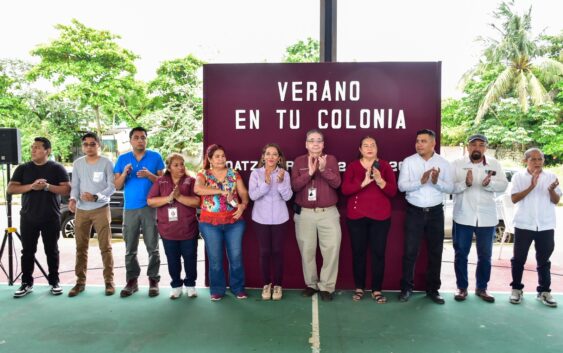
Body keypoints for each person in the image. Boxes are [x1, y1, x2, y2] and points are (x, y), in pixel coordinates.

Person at [8, 137, 70, 298]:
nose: (33, 150)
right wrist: (31, 186)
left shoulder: (57, 168)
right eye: (32, 147)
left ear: (47, 150)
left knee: (52, 250)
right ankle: (26, 283)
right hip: (28, 217)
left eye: (37, 147)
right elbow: (10, 189)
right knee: (27, 251)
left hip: (51, 217)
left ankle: (54, 282)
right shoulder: (23, 168)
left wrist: (47, 187)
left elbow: (66, 190)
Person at [397, 129, 453, 304]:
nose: (419, 144)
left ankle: (433, 290)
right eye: (417, 141)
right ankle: (406, 289)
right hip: (415, 211)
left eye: (423, 141)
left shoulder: (443, 163)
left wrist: (436, 183)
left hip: (436, 212)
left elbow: (450, 189)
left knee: (435, 252)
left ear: (433, 143)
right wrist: (420, 182)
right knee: (410, 253)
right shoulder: (408, 162)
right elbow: (401, 186)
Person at [451, 134, 508, 303]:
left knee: (485, 255)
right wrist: (465, 184)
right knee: (461, 254)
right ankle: (462, 288)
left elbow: (504, 185)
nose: (477, 148)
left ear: (485, 148)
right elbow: (449, 186)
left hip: (486, 217)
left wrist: (489, 184)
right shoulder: (457, 164)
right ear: (468, 147)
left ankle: (482, 288)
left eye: (481, 145)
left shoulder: (494, 164)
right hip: (463, 217)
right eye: (473, 144)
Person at [341, 136, 397, 303]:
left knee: (378, 254)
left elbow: (393, 192)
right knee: (358, 253)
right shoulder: (352, 166)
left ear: (377, 148)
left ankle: (377, 289)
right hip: (357, 217)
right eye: (365, 145)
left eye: (373, 145)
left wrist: (380, 181)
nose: (369, 148)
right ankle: (359, 288)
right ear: (360, 149)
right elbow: (345, 190)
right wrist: (364, 182)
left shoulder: (385, 166)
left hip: (380, 217)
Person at [291, 129, 342, 301]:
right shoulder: (299, 161)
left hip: (328, 213)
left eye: (319, 140)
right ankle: (311, 284)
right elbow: (295, 186)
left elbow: (337, 183)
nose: (315, 143)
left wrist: (323, 169)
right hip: (305, 214)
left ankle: (327, 286)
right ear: (306, 144)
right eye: (311, 140)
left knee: (331, 249)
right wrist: (310, 172)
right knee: (307, 250)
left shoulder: (332, 159)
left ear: (323, 144)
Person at [114, 127, 165, 297]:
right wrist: (125, 173)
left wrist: (150, 175)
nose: (140, 140)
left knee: (153, 246)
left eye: (143, 137)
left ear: (146, 140)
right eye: (136, 138)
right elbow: (117, 185)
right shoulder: (123, 159)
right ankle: (132, 281)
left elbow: (164, 182)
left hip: (151, 207)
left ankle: (153, 281)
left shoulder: (155, 157)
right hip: (130, 208)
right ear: (131, 141)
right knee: (130, 247)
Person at [194, 144, 249, 301]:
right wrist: (220, 191)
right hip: (210, 223)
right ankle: (217, 289)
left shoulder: (234, 174)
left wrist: (243, 205)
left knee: (236, 257)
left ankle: (238, 288)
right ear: (210, 159)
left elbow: (243, 192)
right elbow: (197, 189)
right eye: (217, 156)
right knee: (215, 258)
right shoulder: (203, 174)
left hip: (234, 222)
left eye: (223, 156)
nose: (221, 159)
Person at [509, 148, 561, 307]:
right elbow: (514, 198)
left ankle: (544, 291)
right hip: (524, 224)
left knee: (544, 260)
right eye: (533, 159)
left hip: (545, 225)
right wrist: (531, 186)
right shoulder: (518, 177)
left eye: (540, 159)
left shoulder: (551, 177)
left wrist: (551, 190)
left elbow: (556, 200)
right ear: (526, 161)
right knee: (519, 259)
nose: (538, 162)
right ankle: (516, 289)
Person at [68, 132, 117, 297]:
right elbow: (75, 185)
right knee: (81, 248)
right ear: (82, 147)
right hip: (81, 211)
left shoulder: (106, 163)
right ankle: (80, 282)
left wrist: (96, 197)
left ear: (99, 145)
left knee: (106, 247)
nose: (89, 147)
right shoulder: (77, 164)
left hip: (101, 209)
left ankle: (109, 282)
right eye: (86, 144)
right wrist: (73, 199)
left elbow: (112, 187)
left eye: (92, 144)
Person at [148, 153, 200, 299]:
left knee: (190, 258)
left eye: (182, 164)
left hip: (188, 229)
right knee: (172, 259)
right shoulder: (160, 182)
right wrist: (168, 198)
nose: (180, 167)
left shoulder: (191, 181)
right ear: (169, 168)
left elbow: (197, 202)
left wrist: (179, 197)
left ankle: (190, 285)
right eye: (176, 165)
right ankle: (176, 285)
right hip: (168, 230)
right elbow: (151, 201)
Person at [248, 143, 293, 301]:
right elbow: (253, 196)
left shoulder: (284, 174)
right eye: (268, 154)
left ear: (279, 158)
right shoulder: (256, 174)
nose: (271, 157)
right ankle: (266, 284)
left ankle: (278, 285)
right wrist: (266, 183)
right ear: (263, 156)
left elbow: (288, 197)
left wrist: (280, 183)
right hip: (261, 219)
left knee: (278, 252)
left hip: (280, 219)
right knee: (265, 252)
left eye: (275, 154)